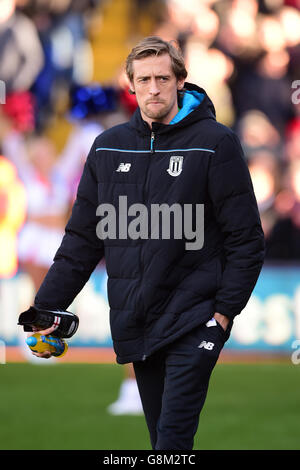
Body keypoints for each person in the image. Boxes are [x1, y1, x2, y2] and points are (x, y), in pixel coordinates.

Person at [26, 36, 265, 450]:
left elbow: (247, 241)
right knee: (162, 442)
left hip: (195, 321)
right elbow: (82, 239)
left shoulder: (215, 142)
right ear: (131, 85)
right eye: (144, 80)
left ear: (179, 81)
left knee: (170, 443)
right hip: (136, 321)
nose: (153, 88)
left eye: (162, 78)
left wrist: (222, 316)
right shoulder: (106, 146)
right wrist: (47, 305)